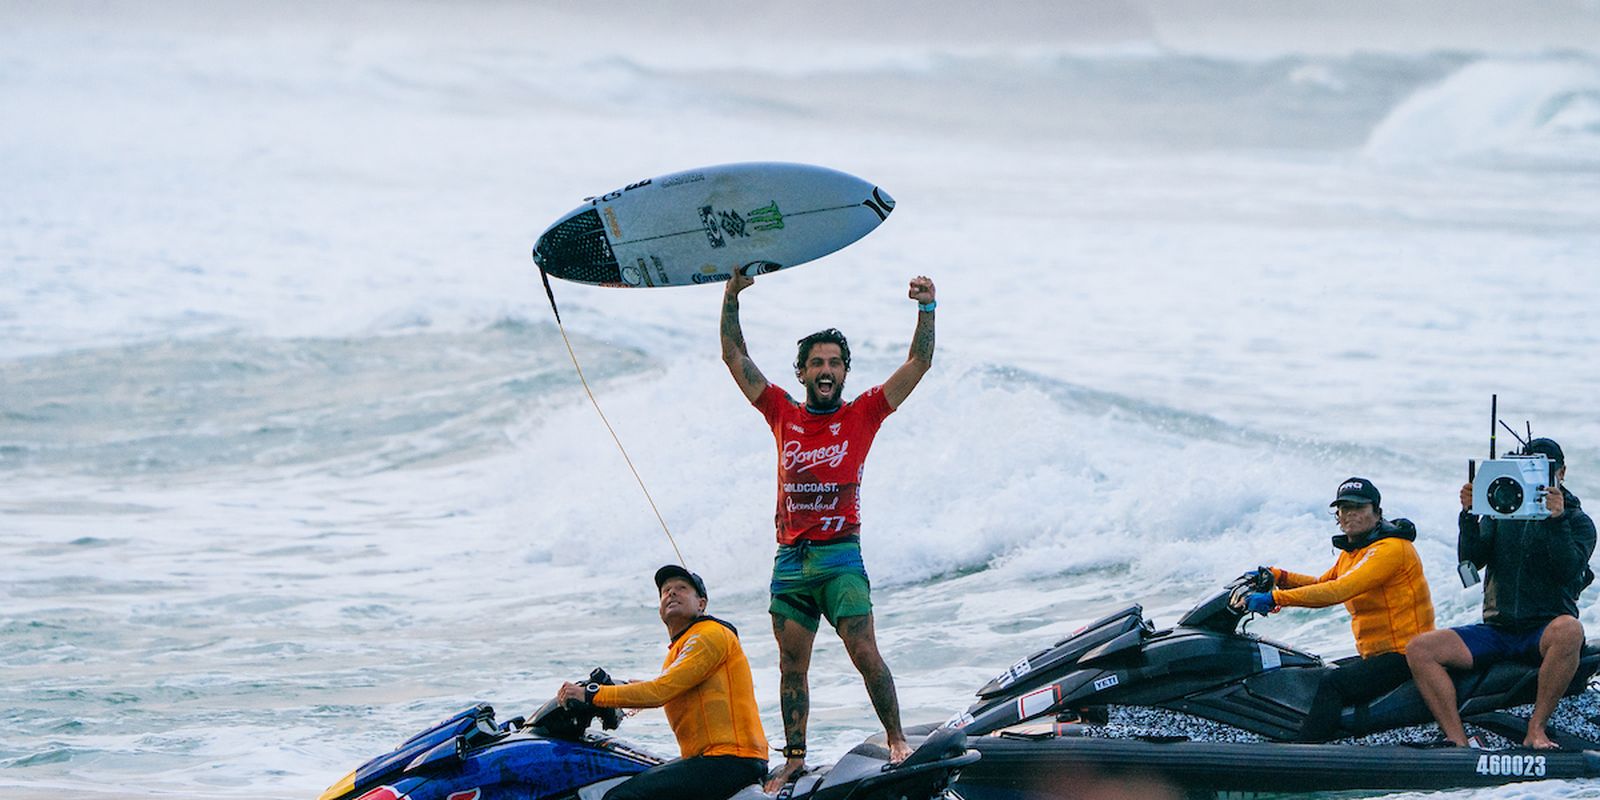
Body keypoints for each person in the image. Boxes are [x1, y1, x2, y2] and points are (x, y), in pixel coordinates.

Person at [720, 272, 935, 790]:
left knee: (865, 653)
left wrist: (928, 308)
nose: (826, 369)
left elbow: (918, 364)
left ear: (844, 373)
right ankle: (794, 757)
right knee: (792, 667)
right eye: (816, 362)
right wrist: (731, 298)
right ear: (801, 372)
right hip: (791, 561)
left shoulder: (864, 413)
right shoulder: (781, 412)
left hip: (840, 557)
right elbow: (734, 356)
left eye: (834, 362)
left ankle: (897, 739)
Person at [1406, 438, 1595, 749]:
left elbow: (1568, 570)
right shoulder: (1502, 510)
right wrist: (1469, 515)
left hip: (1543, 628)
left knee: (1570, 630)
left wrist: (1555, 520)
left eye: (1545, 471)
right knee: (1420, 649)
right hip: (1498, 628)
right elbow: (1471, 561)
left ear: (1561, 473)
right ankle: (1456, 738)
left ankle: (1536, 730)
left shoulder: (1578, 522)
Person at [1241, 477, 1435, 740]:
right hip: (1377, 656)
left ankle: (1307, 751)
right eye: (1344, 508)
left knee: (1334, 683)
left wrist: (1276, 599)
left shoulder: (1391, 549)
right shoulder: (1354, 552)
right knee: (1319, 670)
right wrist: (1280, 576)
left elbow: (1338, 591)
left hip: (1404, 655)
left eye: (1359, 507)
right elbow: (1324, 583)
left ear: (1377, 513)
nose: (1351, 515)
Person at [557, 565, 768, 800]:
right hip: (714, 759)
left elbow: (660, 691)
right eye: (666, 591)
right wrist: (627, 690)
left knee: (620, 797)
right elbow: (675, 686)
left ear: (701, 604)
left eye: (682, 588)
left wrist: (591, 694)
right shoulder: (683, 646)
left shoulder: (708, 635)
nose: (672, 593)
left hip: (729, 760)